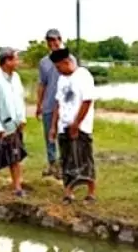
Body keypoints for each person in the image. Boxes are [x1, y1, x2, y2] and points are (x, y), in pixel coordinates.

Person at [48, 48, 97, 203]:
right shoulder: (62, 78)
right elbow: (58, 102)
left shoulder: (83, 76)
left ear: (67, 62)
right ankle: (68, 193)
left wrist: (76, 124)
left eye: (59, 66)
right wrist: (53, 126)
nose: (58, 70)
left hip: (80, 126)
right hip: (63, 125)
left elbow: (87, 101)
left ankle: (91, 193)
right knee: (67, 159)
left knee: (84, 158)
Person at [0, 47, 27, 200]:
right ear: (7, 61)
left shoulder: (16, 77)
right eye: (15, 59)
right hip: (1, 125)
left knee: (15, 157)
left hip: (15, 124)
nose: (18, 62)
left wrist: (22, 118)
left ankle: (17, 187)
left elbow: (20, 99)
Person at [35, 29, 75, 178]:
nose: (52, 43)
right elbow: (42, 84)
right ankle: (53, 165)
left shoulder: (69, 59)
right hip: (49, 104)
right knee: (49, 136)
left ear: (60, 39)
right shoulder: (44, 62)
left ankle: (66, 165)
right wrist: (39, 104)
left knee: (64, 136)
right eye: (49, 41)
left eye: (55, 40)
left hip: (65, 105)